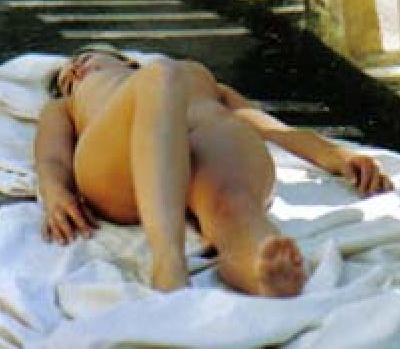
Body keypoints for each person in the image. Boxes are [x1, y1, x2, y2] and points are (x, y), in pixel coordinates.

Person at [34, 44, 394, 297]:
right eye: (68, 77)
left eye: (86, 58)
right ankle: (168, 259)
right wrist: (55, 192)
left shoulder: (196, 75)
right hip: (122, 162)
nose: (76, 69)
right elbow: (51, 158)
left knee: (234, 206)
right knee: (162, 76)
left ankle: (258, 264)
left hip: (211, 139)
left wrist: (333, 155)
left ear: (125, 61)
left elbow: (268, 126)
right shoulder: (69, 105)